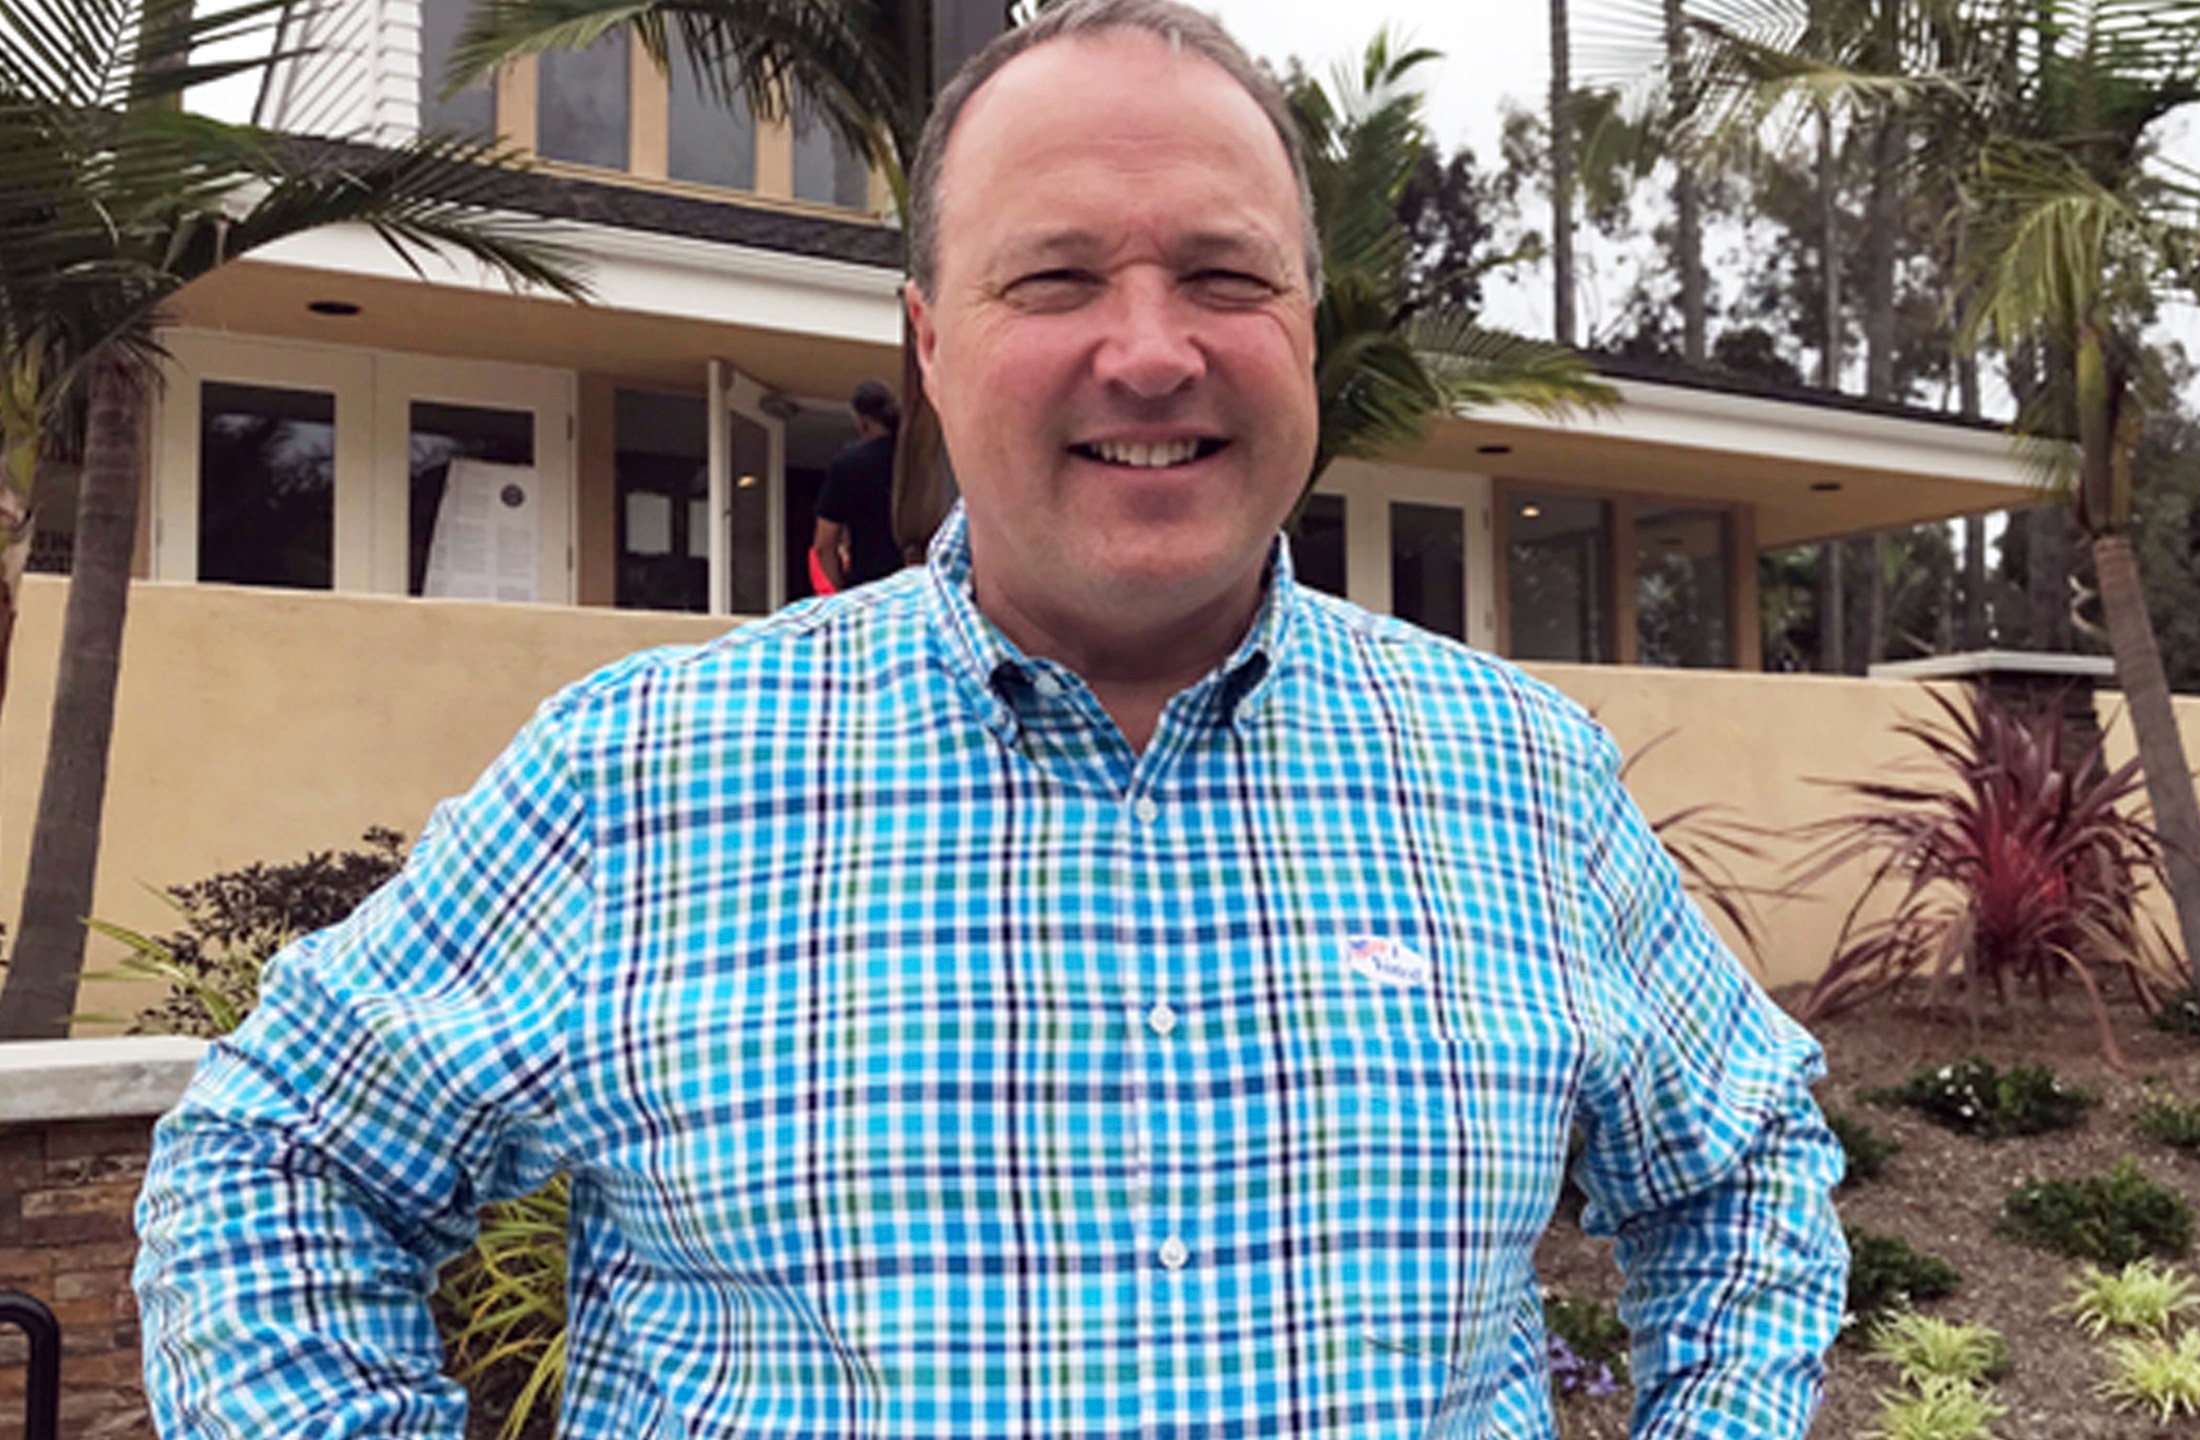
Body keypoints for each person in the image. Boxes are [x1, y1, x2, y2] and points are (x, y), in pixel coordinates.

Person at [134, 1, 1847, 1436]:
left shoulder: (1520, 780)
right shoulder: (636, 779)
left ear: (1303, 335)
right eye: (1057, 281)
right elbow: (275, 1163)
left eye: (1222, 276)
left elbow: (1742, 1166)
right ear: (933, 346)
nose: (1153, 350)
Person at [811, 379, 904, 590]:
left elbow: (824, 544)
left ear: (862, 423)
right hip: (917, 583)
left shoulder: (847, 465)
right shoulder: (917, 462)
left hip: (868, 583)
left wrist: (841, 593)